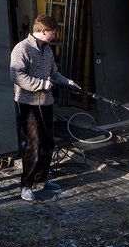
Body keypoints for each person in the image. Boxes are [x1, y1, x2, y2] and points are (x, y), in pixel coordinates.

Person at [10, 15, 81, 201]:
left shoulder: (47, 50)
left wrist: (68, 82)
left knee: (48, 143)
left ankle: (42, 179)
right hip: (28, 105)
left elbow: (54, 74)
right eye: (53, 32)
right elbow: (17, 76)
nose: (54, 35)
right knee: (35, 145)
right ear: (43, 31)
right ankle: (26, 185)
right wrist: (41, 84)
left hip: (46, 104)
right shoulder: (22, 48)